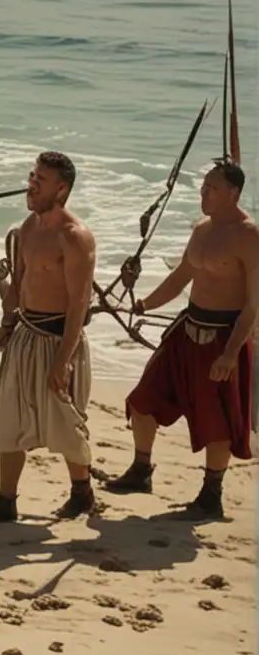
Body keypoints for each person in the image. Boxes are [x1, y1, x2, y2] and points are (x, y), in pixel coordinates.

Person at [106, 158, 256, 519]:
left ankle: (211, 495)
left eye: (212, 188)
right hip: (186, 330)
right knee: (143, 400)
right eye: (203, 186)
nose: (204, 192)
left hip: (224, 338)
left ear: (233, 193)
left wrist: (231, 353)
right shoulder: (202, 229)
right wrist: (142, 304)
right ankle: (141, 472)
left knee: (217, 421)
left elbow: (253, 304)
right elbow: (178, 281)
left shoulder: (249, 235)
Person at [0, 151, 98, 524]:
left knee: (65, 425)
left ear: (61, 189)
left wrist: (63, 360)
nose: (31, 183)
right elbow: (20, 291)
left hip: (60, 340)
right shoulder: (29, 228)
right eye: (31, 175)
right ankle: (5, 501)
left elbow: (79, 305)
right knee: (8, 418)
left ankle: (82, 493)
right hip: (25, 335)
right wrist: (6, 320)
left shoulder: (75, 237)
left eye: (40, 180)